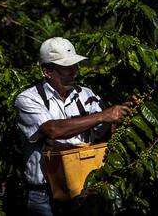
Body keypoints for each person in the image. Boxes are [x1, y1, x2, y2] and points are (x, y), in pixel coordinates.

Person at [15, 37, 133, 216]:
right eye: (66, 68)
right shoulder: (28, 99)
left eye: (75, 66)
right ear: (47, 72)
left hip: (84, 189)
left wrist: (122, 112)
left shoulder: (86, 94)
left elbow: (104, 129)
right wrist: (103, 115)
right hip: (45, 195)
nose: (74, 72)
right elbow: (52, 130)